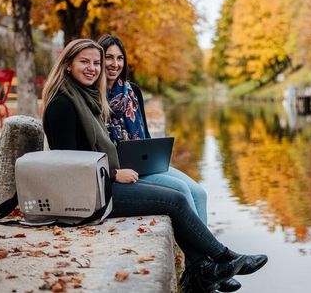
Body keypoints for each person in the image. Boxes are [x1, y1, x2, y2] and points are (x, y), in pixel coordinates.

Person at [41, 39, 267, 292]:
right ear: (68, 65)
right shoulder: (63, 104)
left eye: (95, 63)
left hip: (99, 183)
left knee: (178, 196)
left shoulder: (85, 97)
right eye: (85, 62)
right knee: (175, 200)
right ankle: (221, 259)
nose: (93, 68)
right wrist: (115, 173)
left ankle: (207, 266)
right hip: (86, 196)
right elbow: (70, 168)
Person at [96, 34, 208, 224]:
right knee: (182, 190)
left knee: (199, 193)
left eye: (120, 58)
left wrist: (155, 156)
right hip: (119, 172)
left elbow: (145, 135)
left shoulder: (132, 91)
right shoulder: (92, 96)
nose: (115, 63)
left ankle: (205, 253)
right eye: (109, 57)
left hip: (146, 165)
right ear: (99, 59)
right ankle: (204, 251)